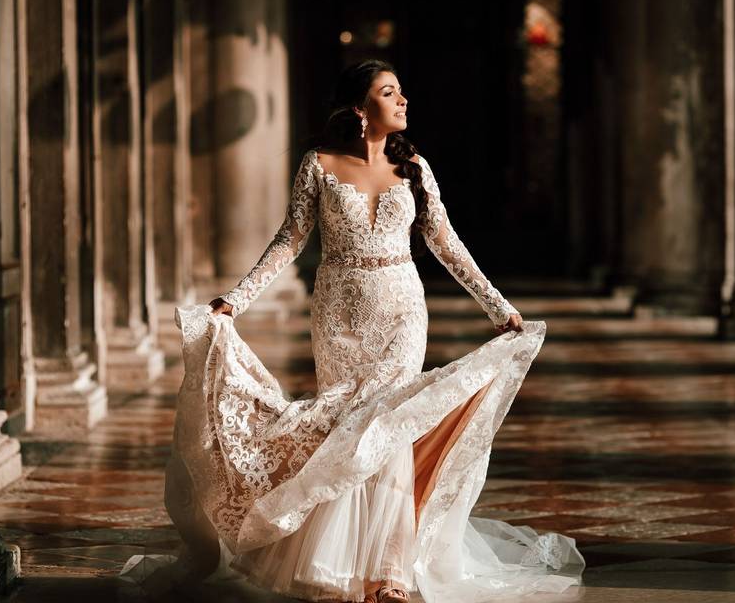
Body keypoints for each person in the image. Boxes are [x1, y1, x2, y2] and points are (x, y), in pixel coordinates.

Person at [122, 60, 585, 603]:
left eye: (401, 91)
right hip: (338, 314)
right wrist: (236, 300)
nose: (404, 100)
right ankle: (342, 566)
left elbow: (446, 243)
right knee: (348, 430)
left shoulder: (414, 166)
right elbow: (289, 241)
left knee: (386, 429)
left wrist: (498, 308)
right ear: (360, 110)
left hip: (401, 312)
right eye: (390, 93)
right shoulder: (318, 165)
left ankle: (388, 572)